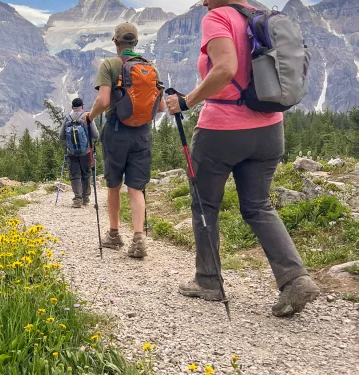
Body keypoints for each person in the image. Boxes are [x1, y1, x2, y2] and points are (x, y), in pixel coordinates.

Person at [166, 0, 319, 317]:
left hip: (223, 131)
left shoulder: (218, 17)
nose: (204, 2)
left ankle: (208, 280)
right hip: (270, 129)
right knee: (258, 206)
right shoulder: (262, 14)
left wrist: (187, 101)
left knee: (205, 203)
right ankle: (295, 279)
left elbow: (225, 68)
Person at [83, 23, 167, 258]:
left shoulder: (110, 65)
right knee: (136, 187)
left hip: (117, 131)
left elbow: (102, 101)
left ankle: (114, 234)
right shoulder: (150, 67)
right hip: (142, 133)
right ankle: (139, 238)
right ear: (136, 43)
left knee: (113, 185)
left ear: (115, 42)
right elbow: (160, 107)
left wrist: (89, 118)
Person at [59, 97, 99, 208]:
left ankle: (77, 200)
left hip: (71, 152)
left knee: (75, 175)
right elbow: (96, 135)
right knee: (86, 174)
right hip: (85, 151)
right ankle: (86, 199)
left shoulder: (67, 118)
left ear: (72, 107)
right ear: (82, 106)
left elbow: (61, 136)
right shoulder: (87, 117)